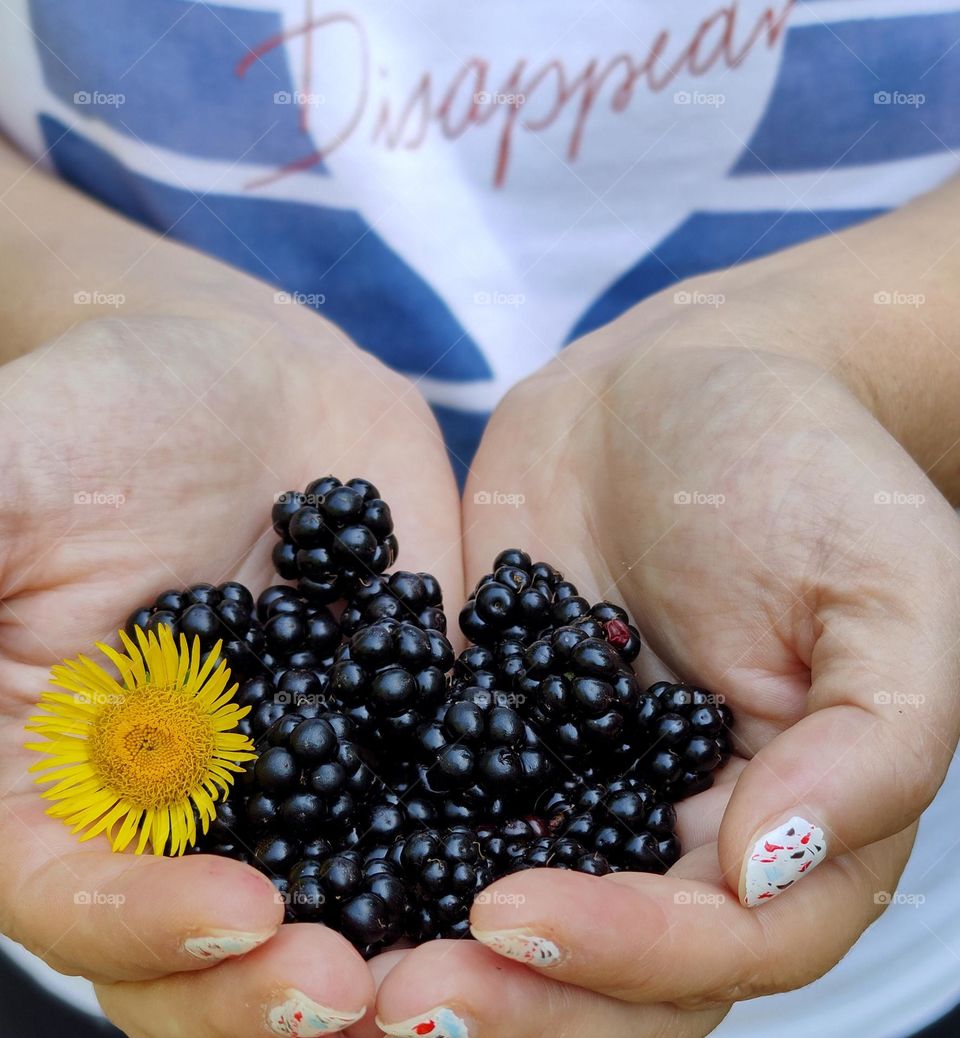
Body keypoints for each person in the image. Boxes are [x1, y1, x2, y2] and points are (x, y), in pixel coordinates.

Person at [0, 2, 959, 1037]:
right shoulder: (333, 701)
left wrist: (844, 356)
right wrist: (85, 309)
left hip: (840, 933)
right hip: (100, 954)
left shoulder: (449, 718)